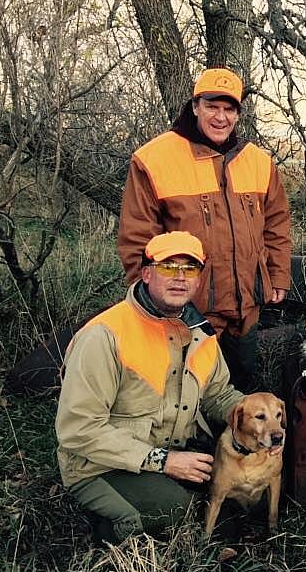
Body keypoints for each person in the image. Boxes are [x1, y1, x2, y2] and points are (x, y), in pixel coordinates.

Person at [56, 231, 245, 544]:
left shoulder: (202, 334)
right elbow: (78, 429)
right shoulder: (105, 335)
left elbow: (219, 394)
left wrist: (259, 413)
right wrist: (164, 462)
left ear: (199, 279)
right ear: (146, 274)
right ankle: (108, 530)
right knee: (173, 512)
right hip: (100, 462)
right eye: (168, 267)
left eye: (190, 268)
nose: (180, 277)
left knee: (230, 510)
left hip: (173, 453)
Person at [117, 67, 291, 392]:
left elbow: (277, 224)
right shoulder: (154, 159)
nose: (220, 117)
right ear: (195, 106)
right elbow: (136, 237)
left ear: (238, 113)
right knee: (185, 397)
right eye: (212, 106)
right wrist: (151, 299)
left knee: (239, 394)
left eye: (229, 109)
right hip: (187, 310)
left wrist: (278, 275)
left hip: (246, 308)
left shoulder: (258, 162)